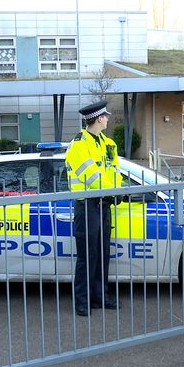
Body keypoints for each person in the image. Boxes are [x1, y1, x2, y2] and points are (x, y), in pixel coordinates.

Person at [65, 100, 122, 316]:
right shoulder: (79, 144)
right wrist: (112, 191)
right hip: (87, 205)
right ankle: (82, 301)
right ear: (99, 118)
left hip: (104, 205)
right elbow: (92, 179)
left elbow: (114, 172)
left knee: (102, 254)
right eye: (106, 116)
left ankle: (100, 297)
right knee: (86, 256)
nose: (108, 119)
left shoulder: (109, 144)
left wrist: (117, 192)